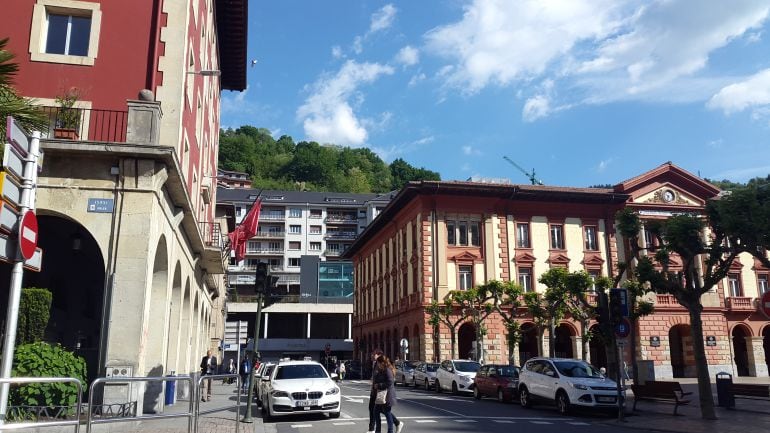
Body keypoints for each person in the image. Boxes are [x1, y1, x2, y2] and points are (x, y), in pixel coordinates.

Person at [367, 350, 403, 433]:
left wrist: (379, 385)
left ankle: (390, 430)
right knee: (376, 412)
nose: (378, 365)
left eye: (379, 363)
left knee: (387, 414)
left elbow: (390, 382)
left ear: (382, 363)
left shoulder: (387, 370)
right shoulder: (382, 369)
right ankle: (378, 430)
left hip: (387, 396)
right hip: (380, 395)